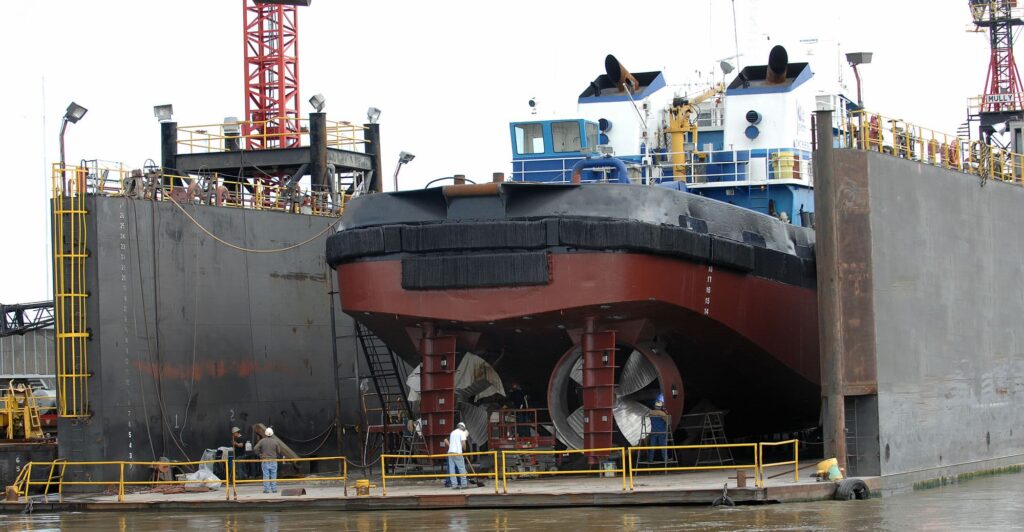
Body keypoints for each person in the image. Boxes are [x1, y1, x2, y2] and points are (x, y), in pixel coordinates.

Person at [252, 427, 282, 494]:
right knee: (273, 475)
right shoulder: (275, 441)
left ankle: (266, 490)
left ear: (265, 434)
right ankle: (274, 489)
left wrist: (260, 454)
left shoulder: (262, 441)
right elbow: (279, 451)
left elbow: (255, 448)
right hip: (273, 460)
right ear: (272, 434)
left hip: (265, 460)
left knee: (266, 475)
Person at [443, 422, 469, 490]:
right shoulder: (462, 432)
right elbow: (463, 443)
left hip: (450, 452)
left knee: (452, 469)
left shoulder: (452, 432)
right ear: (463, 428)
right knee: (461, 468)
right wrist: (465, 449)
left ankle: (454, 485)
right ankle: (464, 484)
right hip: (457, 452)